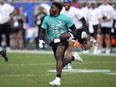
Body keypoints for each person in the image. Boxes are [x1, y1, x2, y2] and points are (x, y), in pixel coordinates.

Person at [39, 2, 82, 86]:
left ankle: (58, 79)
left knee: (59, 56)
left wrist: (71, 35)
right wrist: (41, 39)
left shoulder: (65, 18)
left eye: (52, 8)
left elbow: (74, 29)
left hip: (63, 41)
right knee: (60, 62)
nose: (50, 9)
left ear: (58, 10)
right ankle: (74, 57)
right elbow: (42, 30)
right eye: (50, 8)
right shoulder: (46, 18)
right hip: (53, 42)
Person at [61, 0, 97, 69]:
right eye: (65, 3)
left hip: (79, 29)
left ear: (70, 4)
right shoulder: (62, 12)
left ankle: (91, 42)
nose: (66, 4)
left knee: (85, 48)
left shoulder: (75, 11)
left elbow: (83, 20)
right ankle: (68, 64)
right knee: (69, 46)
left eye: (67, 3)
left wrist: (85, 31)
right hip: (71, 31)